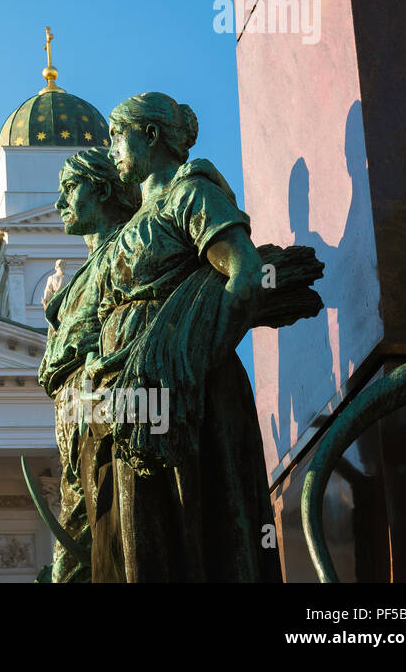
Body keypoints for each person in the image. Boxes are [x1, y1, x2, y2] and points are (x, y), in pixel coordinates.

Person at [81, 91, 281, 582]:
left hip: (189, 398)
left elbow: (247, 275)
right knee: (138, 545)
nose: (110, 150)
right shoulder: (133, 224)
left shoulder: (190, 195)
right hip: (129, 401)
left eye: (116, 136)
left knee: (196, 530)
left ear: (150, 136)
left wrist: (190, 359)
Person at [41, 148, 141, 582]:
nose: (60, 203)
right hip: (71, 414)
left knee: (99, 537)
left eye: (68, 189)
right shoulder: (79, 277)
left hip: (100, 409)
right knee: (81, 541)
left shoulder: (127, 249)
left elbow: (135, 324)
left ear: (101, 189)